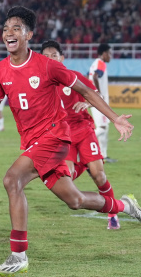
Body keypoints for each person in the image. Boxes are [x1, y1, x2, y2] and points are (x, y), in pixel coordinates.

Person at [0, 6, 141, 277]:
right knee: (75, 199)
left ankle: (18, 254)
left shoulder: (47, 66)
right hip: (34, 143)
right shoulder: (0, 71)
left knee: (12, 180)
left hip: (56, 137)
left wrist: (114, 117)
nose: (8, 33)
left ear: (29, 35)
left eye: (16, 28)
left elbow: (85, 90)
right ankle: (126, 206)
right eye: (5, 29)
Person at [41, 40, 121, 230]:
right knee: (66, 179)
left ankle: (113, 214)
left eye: (54, 55)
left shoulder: (73, 77)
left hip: (83, 130)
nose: (50, 59)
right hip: (63, 136)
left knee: (99, 176)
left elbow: (97, 96)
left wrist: (87, 103)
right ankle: (84, 165)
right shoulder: (42, 85)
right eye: (46, 56)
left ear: (62, 58)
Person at [89, 43, 114, 162]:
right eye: (109, 53)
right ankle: (81, 142)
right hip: (98, 101)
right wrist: (98, 93)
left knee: (105, 128)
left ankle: (103, 155)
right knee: (102, 127)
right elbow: (95, 76)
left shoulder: (95, 63)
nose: (111, 56)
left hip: (96, 100)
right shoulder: (101, 63)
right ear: (104, 54)